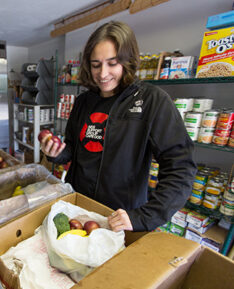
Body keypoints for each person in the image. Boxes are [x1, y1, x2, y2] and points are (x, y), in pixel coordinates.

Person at [41, 21, 196, 232]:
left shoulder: (152, 100)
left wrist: (144, 217)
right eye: (96, 65)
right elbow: (73, 151)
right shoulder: (83, 102)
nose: (103, 74)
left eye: (112, 63)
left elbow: (181, 168)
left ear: (128, 60)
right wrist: (56, 153)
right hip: (78, 209)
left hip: (122, 219)